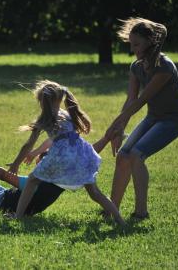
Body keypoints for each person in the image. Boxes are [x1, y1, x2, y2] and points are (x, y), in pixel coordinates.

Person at [7, 80, 125, 225]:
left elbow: (28, 145)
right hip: (82, 154)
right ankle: (120, 220)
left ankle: (18, 216)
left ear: (42, 101)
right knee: (95, 193)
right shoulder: (68, 114)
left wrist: (16, 164)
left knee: (32, 180)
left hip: (62, 157)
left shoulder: (45, 117)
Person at [105, 17, 178, 219]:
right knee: (124, 155)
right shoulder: (136, 67)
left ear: (150, 41)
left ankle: (141, 213)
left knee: (136, 155)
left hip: (173, 119)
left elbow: (142, 100)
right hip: (154, 117)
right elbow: (130, 100)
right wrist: (119, 129)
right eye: (131, 44)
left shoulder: (164, 67)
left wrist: (114, 127)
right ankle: (111, 209)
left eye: (137, 44)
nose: (133, 49)